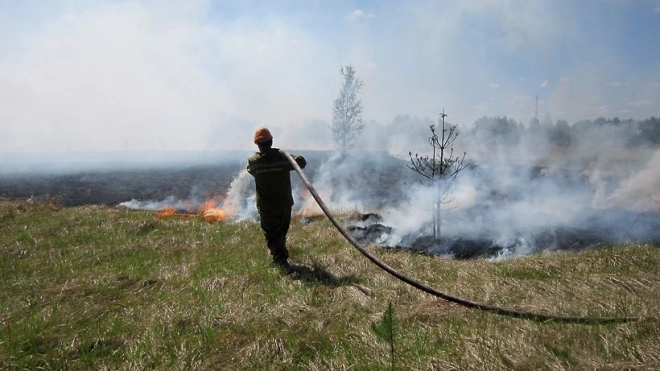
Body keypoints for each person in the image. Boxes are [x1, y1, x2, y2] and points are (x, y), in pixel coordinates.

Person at [247, 127, 307, 274]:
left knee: (273, 233)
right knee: (281, 231)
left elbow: (251, 169)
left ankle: (281, 261)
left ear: (257, 144)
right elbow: (302, 162)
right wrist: (284, 153)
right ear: (271, 141)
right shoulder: (283, 160)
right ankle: (280, 258)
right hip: (284, 204)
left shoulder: (254, 163)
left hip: (267, 206)